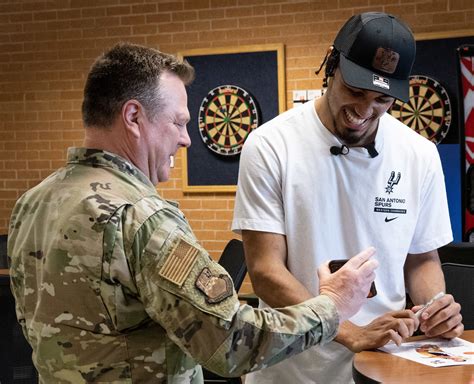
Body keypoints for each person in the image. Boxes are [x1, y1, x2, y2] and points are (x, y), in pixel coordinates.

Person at [7, 43, 379, 383]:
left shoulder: (33, 202)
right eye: (179, 122)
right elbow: (231, 342)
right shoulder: (142, 218)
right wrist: (331, 306)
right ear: (134, 117)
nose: (186, 139)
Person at [232, 12, 464, 384]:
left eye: (382, 100)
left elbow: (421, 258)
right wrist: (347, 331)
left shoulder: (418, 153)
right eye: (355, 91)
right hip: (293, 368)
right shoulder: (271, 145)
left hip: (383, 366)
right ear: (331, 65)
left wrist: (434, 306)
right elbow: (265, 272)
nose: (363, 111)